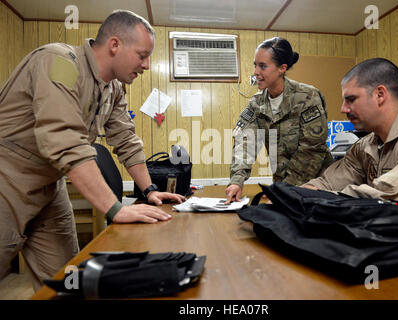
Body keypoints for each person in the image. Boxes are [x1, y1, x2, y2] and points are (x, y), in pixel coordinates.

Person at [0, 10, 185, 290]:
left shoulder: (114, 88)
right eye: (142, 55)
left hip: (51, 185)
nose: (146, 65)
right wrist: (115, 209)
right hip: (8, 180)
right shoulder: (59, 62)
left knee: (66, 279)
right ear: (114, 45)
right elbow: (64, 139)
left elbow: (125, 137)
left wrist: (149, 191)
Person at [303, 58, 398, 205]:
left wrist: (317, 198)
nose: (343, 109)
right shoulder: (365, 146)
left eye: (351, 99)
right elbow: (327, 183)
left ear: (380, 95)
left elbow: (390, 197)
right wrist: (299, 194)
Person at [225, 37, 333, 204]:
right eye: (255, 65)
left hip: (318, 186)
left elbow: (312, 149)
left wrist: (286, 190)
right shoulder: (256, 103)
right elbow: (245, 143)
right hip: (284, 188)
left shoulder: (307, 97)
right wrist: (236, 181)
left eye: (263, 66)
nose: (255, 71)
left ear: (282, 68)